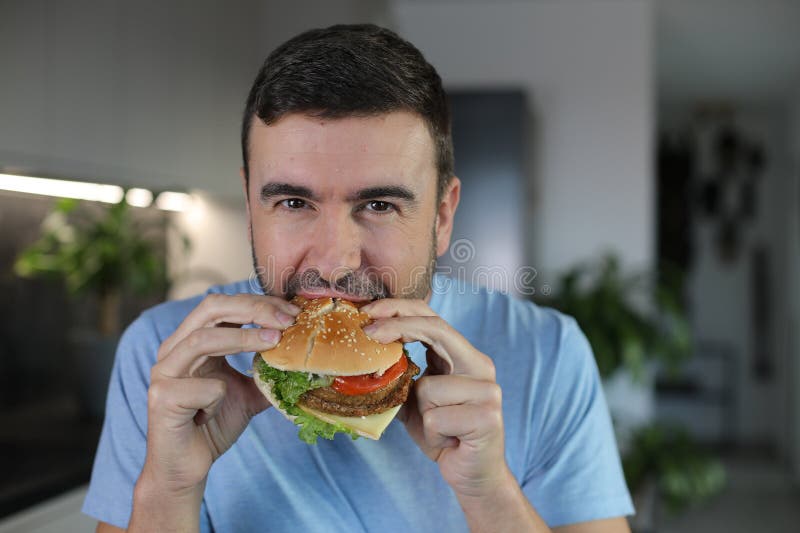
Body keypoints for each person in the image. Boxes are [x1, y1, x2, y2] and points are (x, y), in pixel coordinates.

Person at [83, 24, 634, 532]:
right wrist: (170, 487)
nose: (336, 261)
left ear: (442, 217)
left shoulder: (547, 354)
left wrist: (488, 492)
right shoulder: (164, 355)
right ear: (252, 207)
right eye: (294, 202)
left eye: (378, 205)